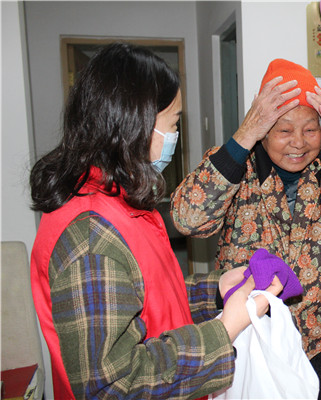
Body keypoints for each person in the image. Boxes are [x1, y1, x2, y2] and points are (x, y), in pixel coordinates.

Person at [29, 42, 283, 400]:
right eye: (174, 123)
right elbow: (112, 386)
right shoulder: (90, 237)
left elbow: (147, 299)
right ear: (136, 125)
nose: (176, 136)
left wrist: (216, 290)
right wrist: (225, 330)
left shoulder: (120, 201)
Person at [170, 58, 321, 399]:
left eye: (311, 130)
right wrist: (243, 137)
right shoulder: (234, 164)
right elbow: (188, 219)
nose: (298, 143)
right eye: (284, 130)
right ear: (262, 128)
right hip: (252, 330)